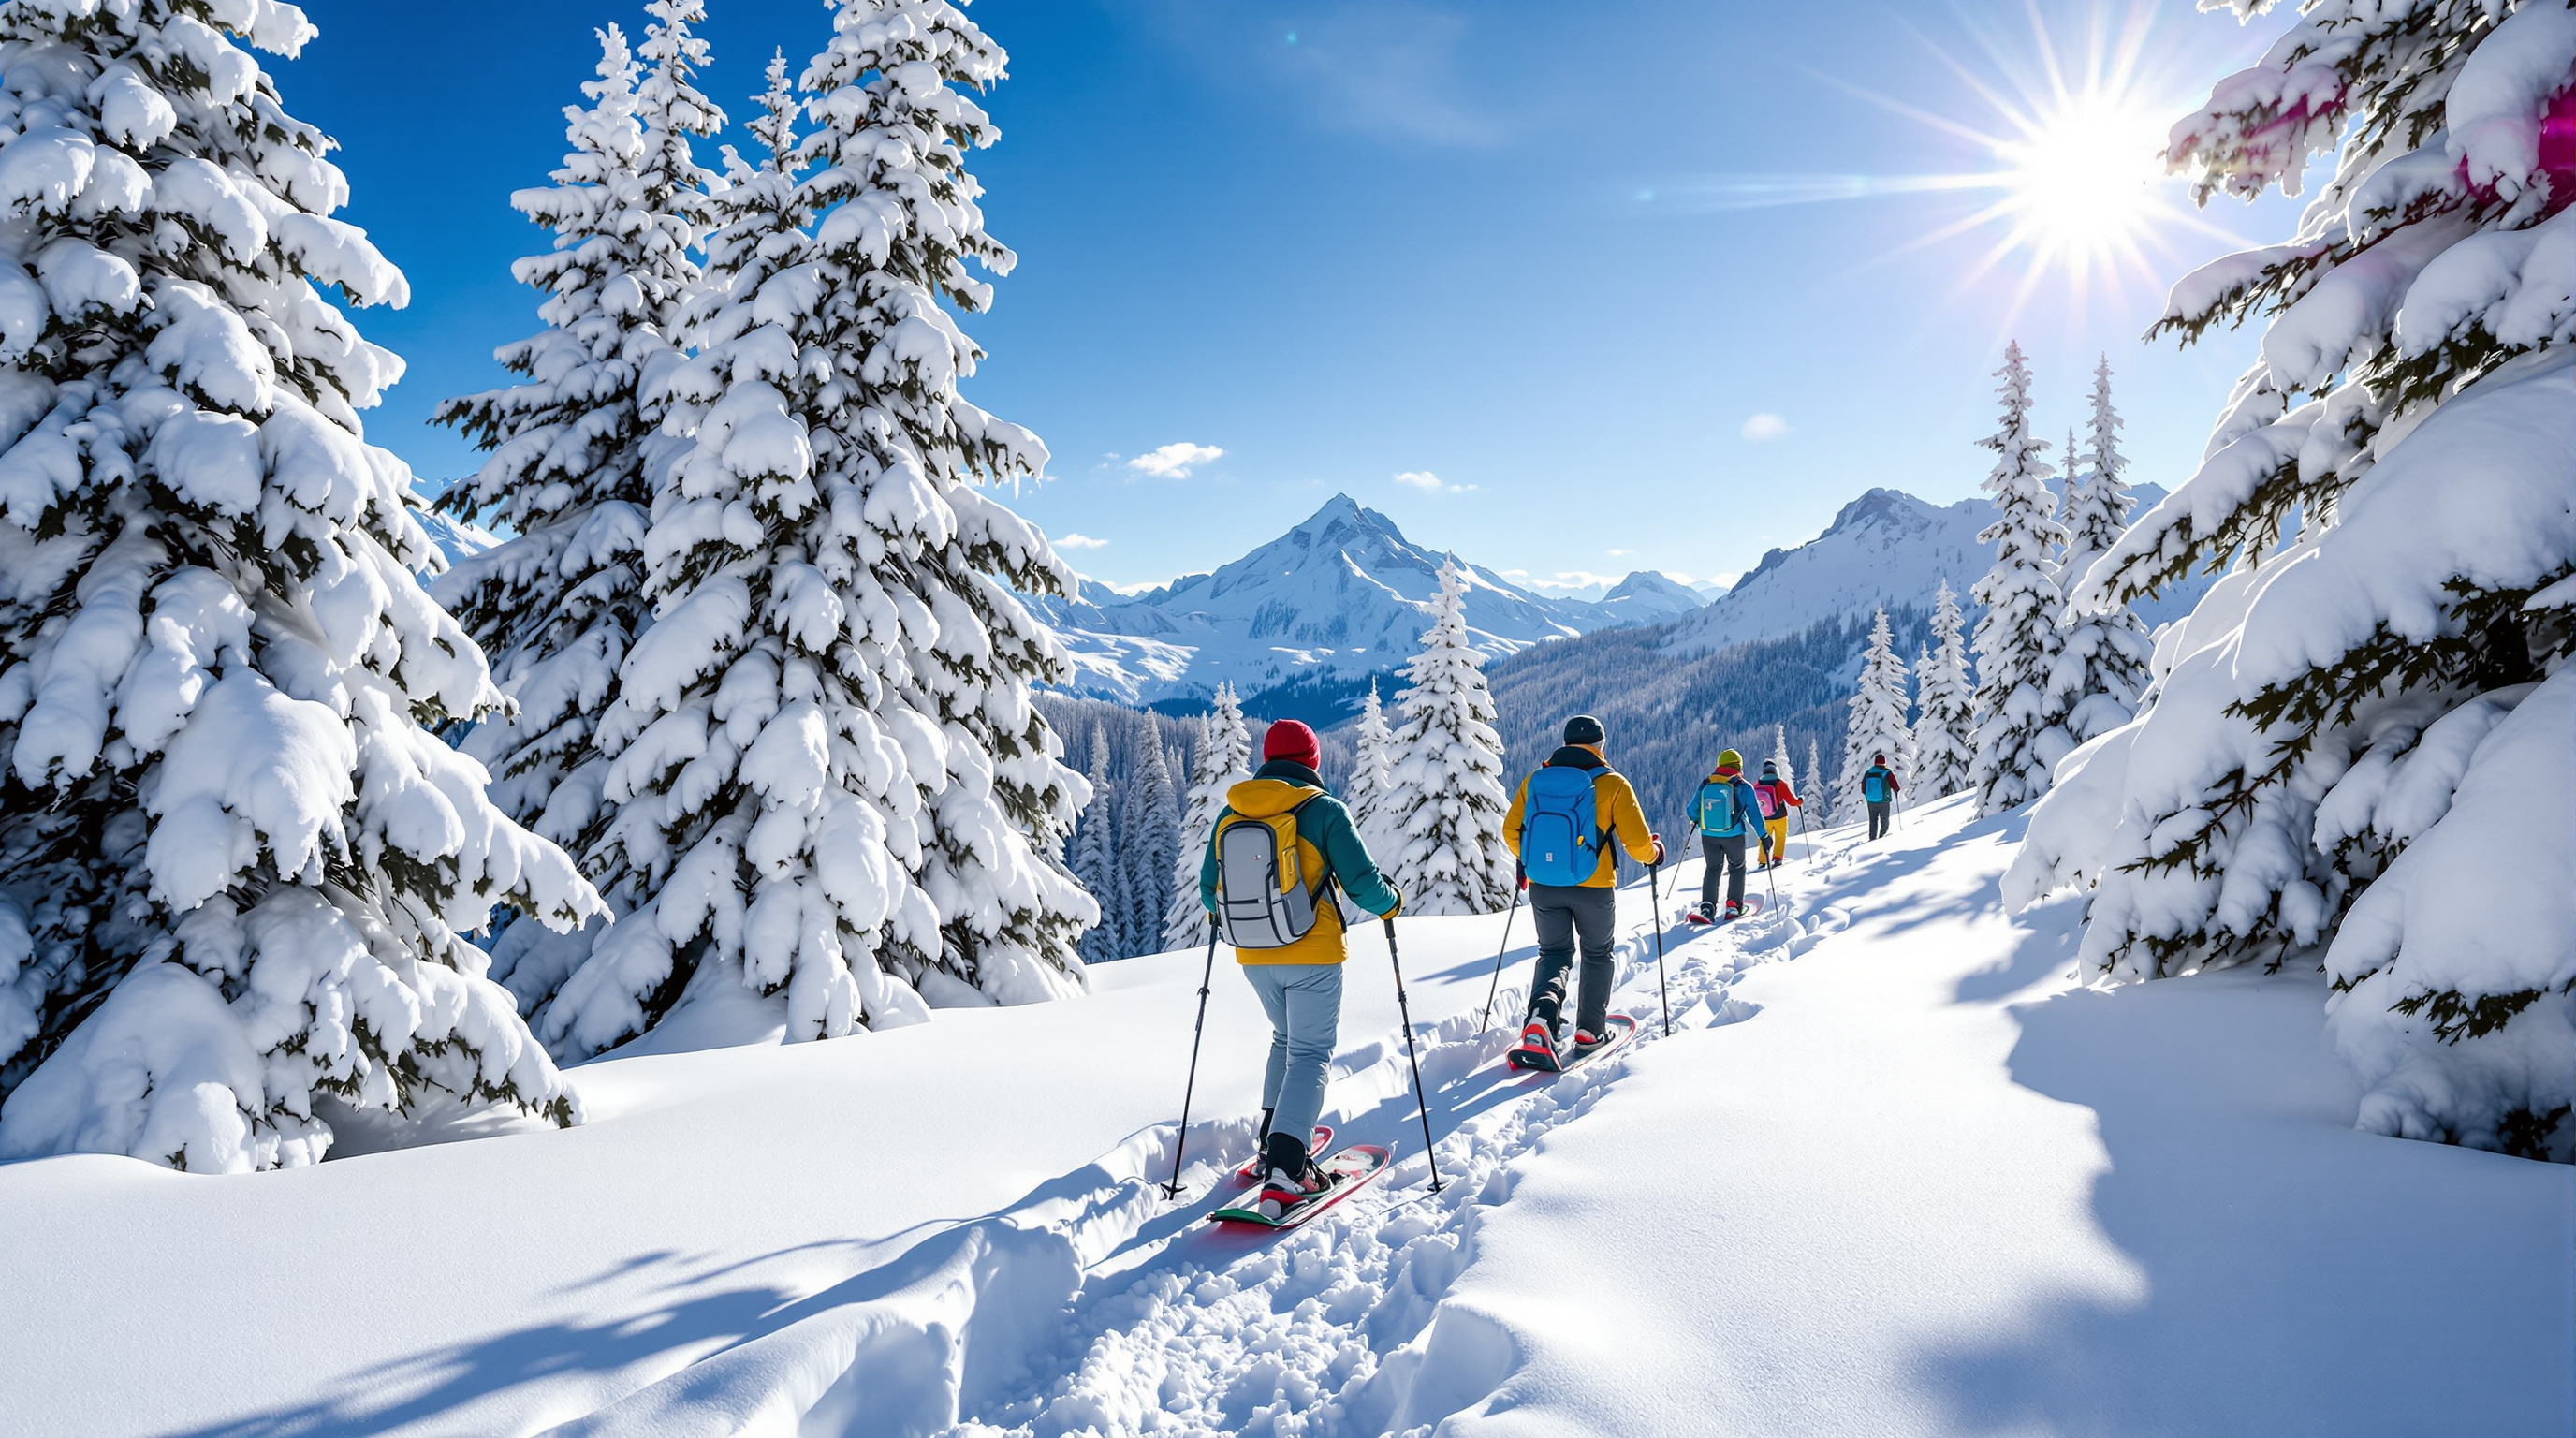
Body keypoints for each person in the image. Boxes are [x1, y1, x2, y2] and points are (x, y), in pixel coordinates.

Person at [1198, 718, 1401, 1217]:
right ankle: (1288, 1170)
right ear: (1312, 761)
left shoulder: (1232, 813)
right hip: (1312, 955)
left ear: (1267, 760)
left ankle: (1273, 1140)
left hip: (1253, 955)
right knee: (1311, 1052)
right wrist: (1391, 904)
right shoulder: (1324, 810)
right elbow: (1362, 884)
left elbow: (1209, 890)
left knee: (1285, 1040)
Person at [1500, 714, 1663, 1061]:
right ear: (1601, 745)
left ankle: (1540, 1022)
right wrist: (1654, 853)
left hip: (1544, 885)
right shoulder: (1613, 783)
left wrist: (1534, 860)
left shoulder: (1535, 780)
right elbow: (1637, 843)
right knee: (1596, 953)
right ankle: (1590, 1031)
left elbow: (1510, 832)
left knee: (1554, 953)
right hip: (1594, 887)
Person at [1687, 749, 1763, 922]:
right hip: (1734, 835)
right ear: (1739, 767)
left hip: (1708, 835)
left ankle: (1707, 908)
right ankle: (1734, 906)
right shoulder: (1743, 786)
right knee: (1737, 868)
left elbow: (1691, 809)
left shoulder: (1706, 783)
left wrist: (1697, 820)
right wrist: (1764, 836)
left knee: (1713, 868)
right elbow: (1755, 816)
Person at [1754, 758, 1801, 868]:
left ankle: (1763, 860)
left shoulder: (1757, 784)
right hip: (1780, 816)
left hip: (1765, 817)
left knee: (1764, 838)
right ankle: (1777, 859)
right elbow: (1791, 801)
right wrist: (1799, 801)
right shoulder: (1780, 783)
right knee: (1780, 837)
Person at [1863, 752, 1901, 840]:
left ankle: (1872, 838)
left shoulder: (1868, 773)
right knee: (1884, 819)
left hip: (1871, 801)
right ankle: (1882, 836)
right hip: (1883, 800)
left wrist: (1869, 795)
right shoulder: (1887, 772)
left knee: (1873, 820)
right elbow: (1896, 786)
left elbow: (1863, 788)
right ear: (1884, 762)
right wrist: (1896, 791)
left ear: (1875, 762)